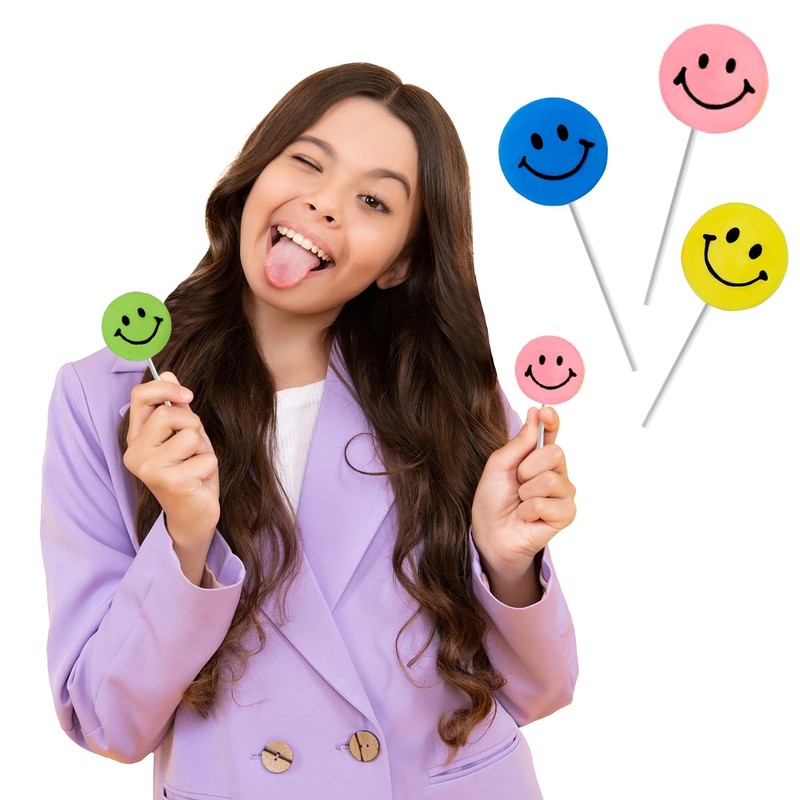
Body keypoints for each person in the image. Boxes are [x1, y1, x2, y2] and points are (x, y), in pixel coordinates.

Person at [40, 62, 578, 800]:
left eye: (372, 201)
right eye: (306, 161)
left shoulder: (448, 393)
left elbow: (541, 690)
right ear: (256, 173)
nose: (324, 205)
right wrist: (186, 540)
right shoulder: (105, 399)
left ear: (401, 262)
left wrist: (507, 563)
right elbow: (108, 722)